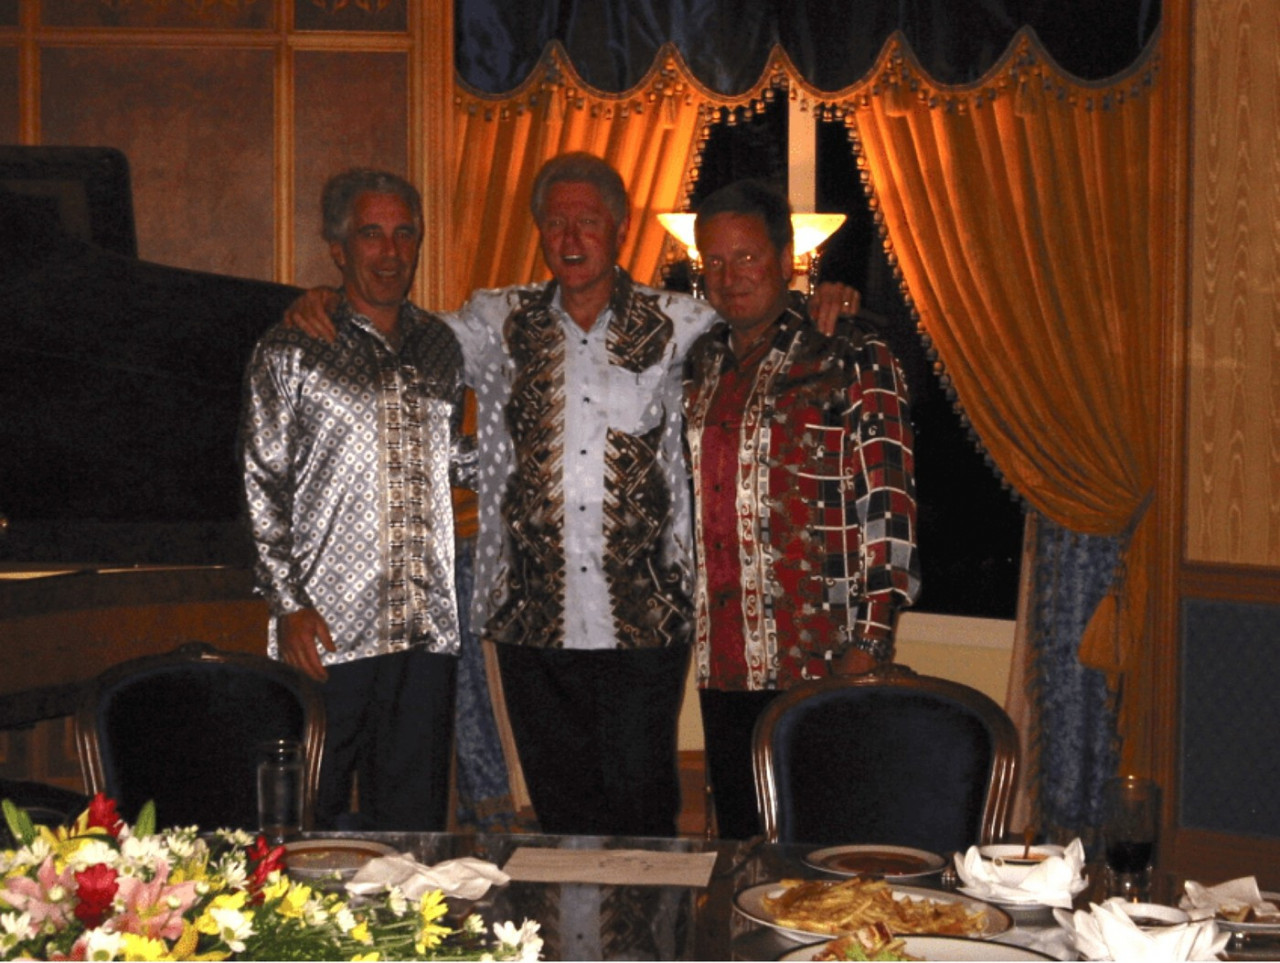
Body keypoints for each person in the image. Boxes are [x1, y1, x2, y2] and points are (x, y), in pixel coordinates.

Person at [284, 152, 855, 837]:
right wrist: (329, 300)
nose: (572, 237)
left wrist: (824, 298)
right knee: (559, 811)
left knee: (642, 808)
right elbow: (401, 333)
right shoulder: (497, 319)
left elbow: (756, 314)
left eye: (588, 221)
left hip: (645, 613)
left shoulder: (682, 322)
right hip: (532, 615)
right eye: (556, 223)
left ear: (619, 230)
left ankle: (641, 913)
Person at [684, 180, 921, 839]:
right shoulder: (698, 363)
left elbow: (890, 508)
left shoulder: (849, 352)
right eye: (714, 261)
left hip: (825, 660)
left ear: (786, 257)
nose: (730, 277)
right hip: (725, 662)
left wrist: (868, 642)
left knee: (825, 849)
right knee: (741, 844)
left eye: (747, 257)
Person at [240, 168, 473, 831]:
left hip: (424, 627)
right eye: (372, 234)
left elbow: (448, 458)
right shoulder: (292, 346)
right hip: (327, 632)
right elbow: (262, 479)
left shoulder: (441, 345)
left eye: (405, 233)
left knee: (413, 825)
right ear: (338, 249)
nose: (391, 251)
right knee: (307, 818)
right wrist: (288, 604)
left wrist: (536, 461)